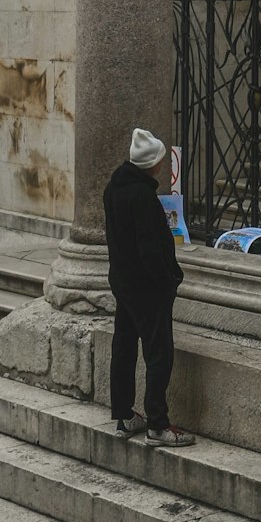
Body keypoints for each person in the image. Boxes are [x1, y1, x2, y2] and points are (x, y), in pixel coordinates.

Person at [103, 128, 194, 447]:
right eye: (159, 160)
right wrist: (169, 281)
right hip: (146, 287)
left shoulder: (114, 188)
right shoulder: (142, 196)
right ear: (151, 163)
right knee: (159, 353)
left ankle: (124, 415)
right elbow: (150, 249)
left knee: (124, 347)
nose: (161, 165)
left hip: (123, 282)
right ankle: (157, 424)